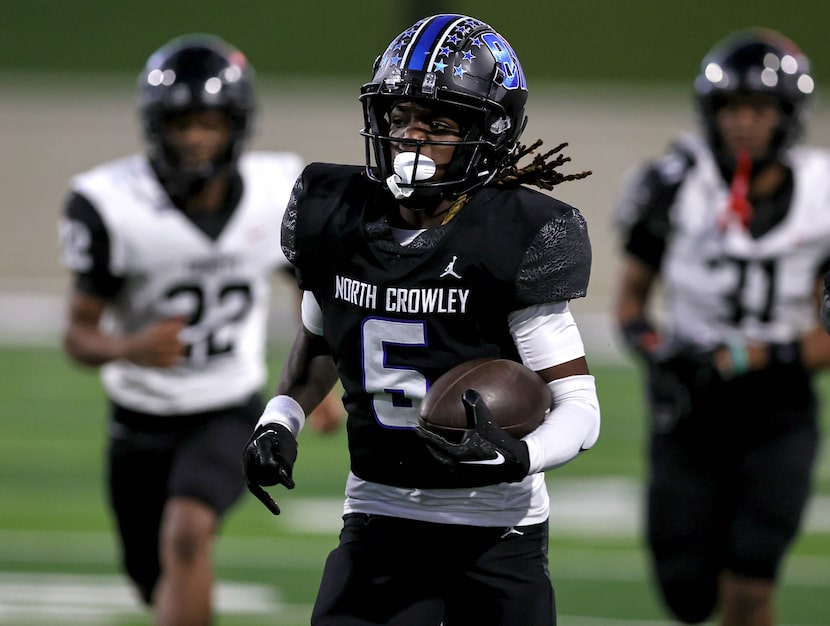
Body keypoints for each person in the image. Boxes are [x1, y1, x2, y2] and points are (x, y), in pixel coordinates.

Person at [242, 13, 601, 626]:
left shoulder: (514, 236)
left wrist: (521, 455)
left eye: (437, 126)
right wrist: (280, 421)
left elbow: (581, 410)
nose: (411, 138)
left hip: (496, 529)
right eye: (399, 119)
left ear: (490, 133)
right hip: (380, 511)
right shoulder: (335, 218)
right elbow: (317, 346)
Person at [58, 34, 341, 626]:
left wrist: (316, 382)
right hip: (139, 416)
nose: (195, 138)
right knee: (153, 576)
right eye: (182, 123)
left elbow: (307, 283)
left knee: (188, 534)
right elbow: (78, 334)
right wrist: (127, 346)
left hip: (228, 404)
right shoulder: (111, 202)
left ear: (237, 125)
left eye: (209, 123)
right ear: (156, 125)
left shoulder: (277, 189)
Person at [613, 28, 830, 626]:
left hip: (775, 413)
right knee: (687, 596)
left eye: (758, 109)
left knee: (750, 584)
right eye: (731, 108)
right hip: (689, 408)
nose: (743, 124)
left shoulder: (822, 195)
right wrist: (656, 351)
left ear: (787, 115)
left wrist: (760, 357)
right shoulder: (674, 184)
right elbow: (631, 303)